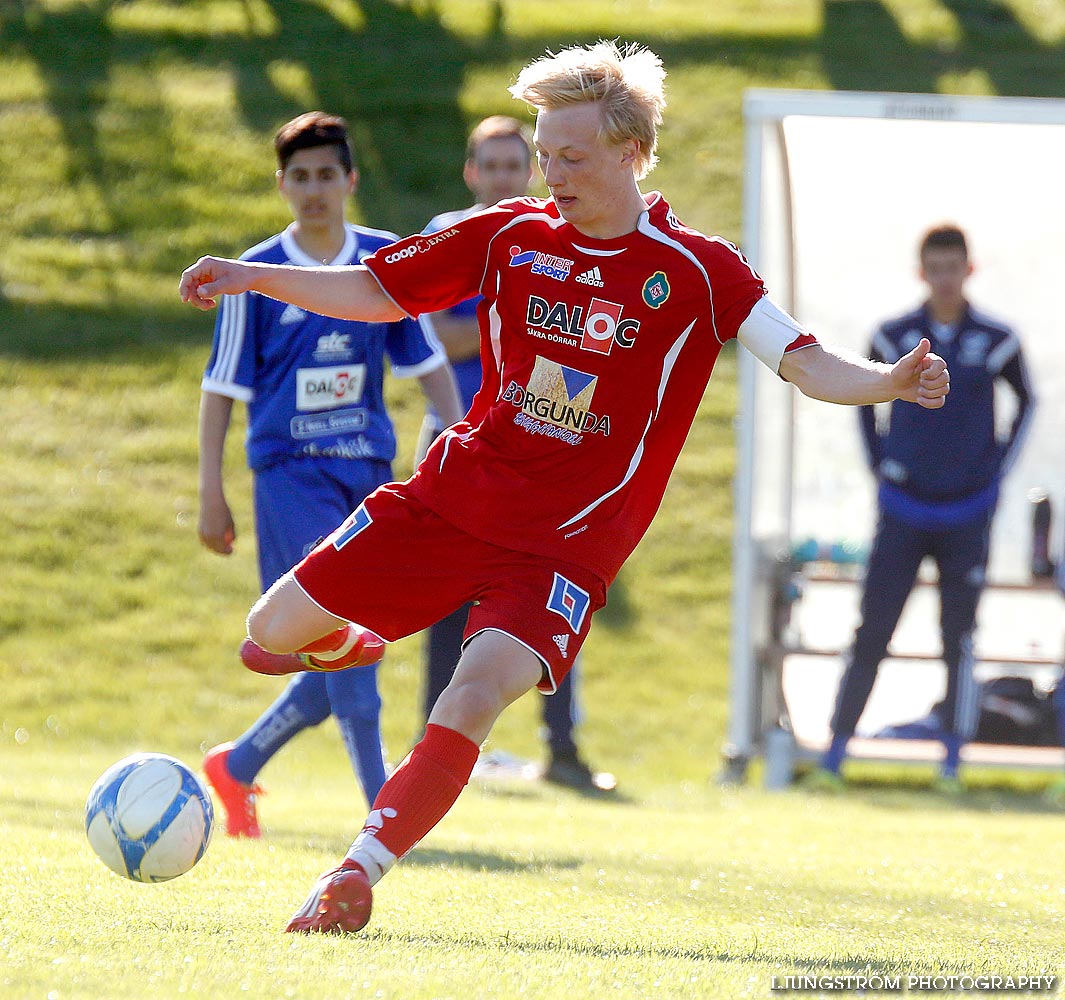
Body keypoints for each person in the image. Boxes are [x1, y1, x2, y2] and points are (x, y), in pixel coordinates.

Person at [179, 40, 949, 933]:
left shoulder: (699, 270)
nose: (553, 174)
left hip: (561, 552)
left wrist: (887, 381)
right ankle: (350, 636)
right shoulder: (510, 232)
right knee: (266, 636)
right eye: (546, 154)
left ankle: (354, 875)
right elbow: (380, 292)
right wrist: (248, 276)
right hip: (447, 502)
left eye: (572, 157)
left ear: (630, 153)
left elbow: (806, 364)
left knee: (468, 697)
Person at [196, 111, 462, 837]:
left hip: (366, 479)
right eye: (300, 177)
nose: (314, 190)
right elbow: (222, 387)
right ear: (283, 185)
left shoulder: (380, 262)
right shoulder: (256, 272)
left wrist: (462, 445)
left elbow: (428, 364)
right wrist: (210, 492)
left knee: (329, 660)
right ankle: (384, 816)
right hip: (289, 478)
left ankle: (238, 765)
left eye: (326, 175)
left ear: (349, 180)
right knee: (344, 643)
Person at [418, 114, 614, 793]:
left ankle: (562, 749)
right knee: (443, 596)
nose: (503, 178)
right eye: (490, 166)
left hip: (540, 446)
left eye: (514, 165)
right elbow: (434, 340)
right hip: (457, 433)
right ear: (471, 172)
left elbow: (576, 346)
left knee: (554, 592)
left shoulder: (558, 235)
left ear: (528, 171)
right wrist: (518, 325)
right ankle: (433, 746)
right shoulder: (449, 234)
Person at [809, 224, 1033, 792]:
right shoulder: (894, 336)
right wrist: (879, 464)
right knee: (872, 630)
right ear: (922, 271)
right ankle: (836, 752)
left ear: (968, 269)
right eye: (935, 267)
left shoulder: (997, 338)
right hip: (903, 508)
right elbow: (862, 396)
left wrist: (996, 471)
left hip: (968, 512)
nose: (944, 278)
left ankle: (953, 759)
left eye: (953, 267)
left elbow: (1027, 401)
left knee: (957, 635)